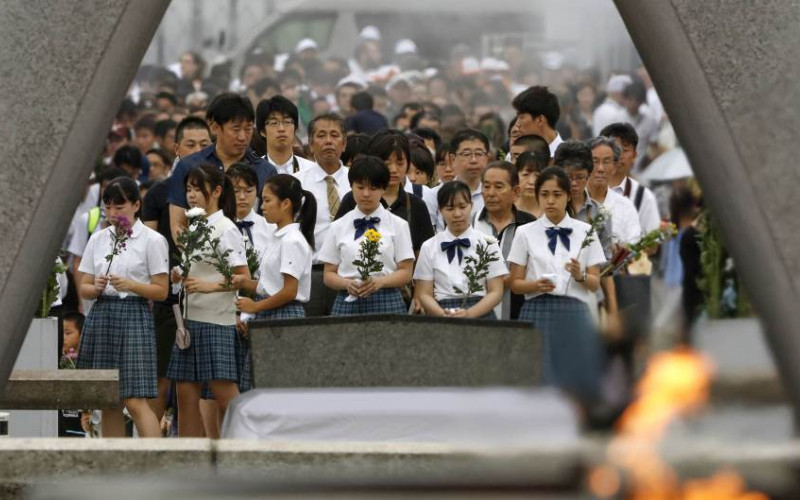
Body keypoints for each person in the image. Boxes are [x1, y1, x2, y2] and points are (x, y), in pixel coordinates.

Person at [77, 176, 168, 438]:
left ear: (136, 205)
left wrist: (129, 284)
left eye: (120, 207)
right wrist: (95, 288)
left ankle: (158, 462)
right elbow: (83, 284)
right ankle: (116, 467)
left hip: (134, 314)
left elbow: (161, 291)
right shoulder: (99, 239)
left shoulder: (152, 240)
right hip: (103, 313)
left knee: (135, 399)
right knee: (109, 400)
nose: (114, 214)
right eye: (108, 207)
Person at [508, 167, 605, 404]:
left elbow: (595, 283)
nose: (550, 201)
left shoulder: (586, 231)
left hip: (573, 309)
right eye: (545, 194)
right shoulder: (524, 232)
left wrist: (579, 275)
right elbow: (515, 284)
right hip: (537, 308)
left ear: (569, 196)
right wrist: (535, 285)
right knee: (535, 372)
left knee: (574, 371)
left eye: (557, 194)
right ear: (538, 196)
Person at [167, 164, 249, 437]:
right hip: (189, 321)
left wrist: (208, 286)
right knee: (185, 395)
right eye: (188, 189)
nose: (190, 195)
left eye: (196, 189)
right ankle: (189, 462)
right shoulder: (195, 226)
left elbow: (242, 276)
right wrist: (180, 275)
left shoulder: (226, 228)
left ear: (216, 191)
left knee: (226, 395)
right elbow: (200, 270)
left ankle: (238, 454)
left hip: (216, 321)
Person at [141, 117, 212, 424]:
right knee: (161, 378)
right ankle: (152, 446)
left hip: (208, 294)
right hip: (168, 298)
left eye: (204, 145)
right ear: (176, 148)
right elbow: (148, 243)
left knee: (200, 382)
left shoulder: (217, 190)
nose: (198, 151)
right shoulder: (159, 193)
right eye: (191, 145)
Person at [168, 92, 278, 243]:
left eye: (247, 129)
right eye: (235, 129)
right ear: (215, 127)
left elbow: (272, 224)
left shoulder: (265, 170)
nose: (242, 137)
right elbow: (178, 224)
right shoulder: (189, 166)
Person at [319, 156, 414, 316]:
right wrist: (347, 284)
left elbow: (406, 272)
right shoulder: (338, 226)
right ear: (351, 187)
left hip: (387, 299)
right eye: (360, 187)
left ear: (383, 189)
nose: (366, 194)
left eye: (373, 188)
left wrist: (380, 282)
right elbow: (328, 274)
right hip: (348, 299)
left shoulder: (398, 225)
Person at [415, 181, 507, 319]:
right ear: (440, 210)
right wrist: (442, 314)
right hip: (442, 311)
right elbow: (424, 293)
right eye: (450, 209)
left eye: (463, 207)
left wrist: (470, 313)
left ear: (472, 205)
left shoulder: (488, 243)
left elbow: (496, 291)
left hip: (480, 311)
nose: (457, 214)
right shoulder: (429, 246)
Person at [335, 131, 435, 253]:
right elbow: (336, 245)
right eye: (387, 163)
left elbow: (425, 253)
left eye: (400, 163)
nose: (393, 170)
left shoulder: (417, 205)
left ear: (408, 163)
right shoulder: (354, 199)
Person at [292, 113, 350, 316]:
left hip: (348, 275)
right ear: (310, 143)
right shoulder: (295, 184)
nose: (328, 141)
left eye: (334, 135)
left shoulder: (358, 181)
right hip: (311, 274)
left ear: (344, 143)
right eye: (321, 135)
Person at [236, 174, 316, 319]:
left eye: (267, 200)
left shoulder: (291, 241)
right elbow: (272, 286)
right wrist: (244, 282)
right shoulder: (278, 237)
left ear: (285, 204)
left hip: (285, 313)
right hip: (271, 309)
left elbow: (289, 291)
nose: (262, 207)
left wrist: (255, 306)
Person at [472, 161, 536, 320]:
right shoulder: (470, 223)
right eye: (486, 186)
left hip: (520, 313)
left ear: (516, 192)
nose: (491, 193)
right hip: (478, 313)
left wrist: (512, 278)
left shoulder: (530, 225)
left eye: (499, 187)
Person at [600, 123, 661, 233]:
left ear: (634, 155)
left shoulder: (643, 197)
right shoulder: (584, 190)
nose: (619, 156)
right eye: (614, 149)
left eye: (625, 150)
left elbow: (652, 243)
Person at [432, 129, 491, 231]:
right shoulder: (435, 194)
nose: (473, 160)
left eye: (479, 153)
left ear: (487, 157)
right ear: (453, 159)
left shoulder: (493, 194)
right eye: (467, 154)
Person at [588, 137, 642, 245]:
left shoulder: (625, 207)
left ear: (614, 167)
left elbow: (634, 245)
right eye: (595, 161)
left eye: (606, 162)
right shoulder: (573, 201)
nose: (600, 168)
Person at [256, 95, 316, 175]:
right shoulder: (254, 172)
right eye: (274, 123)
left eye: (287, 122)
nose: (281, 129)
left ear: (295, 128)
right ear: (263, 131)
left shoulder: (311, 170)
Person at [511, 86, 563, 156]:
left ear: (540, 120)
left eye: (521, 117)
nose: (517, 124)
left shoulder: (566, 156)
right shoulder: (515, 155)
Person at [620, 81, 660, 173]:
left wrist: (650, 160)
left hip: (641, 171)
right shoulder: (616, 118)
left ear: (641, 101)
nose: (633, 104)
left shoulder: (649, 120)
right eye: (630, 100)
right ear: (625, 100)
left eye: (636, 101)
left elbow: (654, 145)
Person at [515, 151, 547, 218]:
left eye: (537, 176)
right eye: (525, 174)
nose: (531, 182)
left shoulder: (550, 211)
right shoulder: (508, 208)